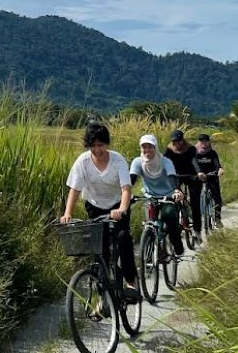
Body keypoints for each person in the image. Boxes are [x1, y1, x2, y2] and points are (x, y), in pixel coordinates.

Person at [60, 122, 139, 299]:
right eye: (93, 146)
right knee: (99, 251)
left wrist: (122, 209)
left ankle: (131, 283)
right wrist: (67, 214)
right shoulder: (83, 161)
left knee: (123, 239)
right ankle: (104, 299)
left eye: (101, 145)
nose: (98, 150)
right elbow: (75, 189)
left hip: (117, 205)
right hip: (94, 205)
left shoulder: (118, 160)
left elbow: (126, 188)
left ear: (107, 144)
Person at [129, 134, 185, 262]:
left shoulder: (165, 161)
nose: (147, 150)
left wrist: (176, 190)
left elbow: (172, 177)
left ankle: (177, 244)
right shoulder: (138, 162)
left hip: (168, 196)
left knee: (169, 215)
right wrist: (125, 193)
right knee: (150, 223)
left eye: (150, 147)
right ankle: (153, 251)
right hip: (150, 197)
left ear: (156, 148)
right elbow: (131, 179)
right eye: (144, 147)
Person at [164, 129, 202, 235]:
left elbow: (194, 161)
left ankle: (197, 230)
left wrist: (199, 172)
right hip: (176, 176)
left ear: (183, 140)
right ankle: (175, 223)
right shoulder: (169, 149)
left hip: (191, 175)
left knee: (195, 203)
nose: (176, 144)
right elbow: (164, 162)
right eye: (174, 141)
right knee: (172, 199)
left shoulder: (191, 148)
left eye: (179, 141)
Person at [192, 132, 224, 226]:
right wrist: (197, 172)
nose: (204, 143)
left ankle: (217, 219)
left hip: (211, 176)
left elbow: (216, 163)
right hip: (198, 176)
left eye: (206, 141)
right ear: (198, 142)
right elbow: (193, 163)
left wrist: (220, 169)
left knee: (217, 197)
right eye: (202, 141)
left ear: (209, 142)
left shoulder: (212, 153)